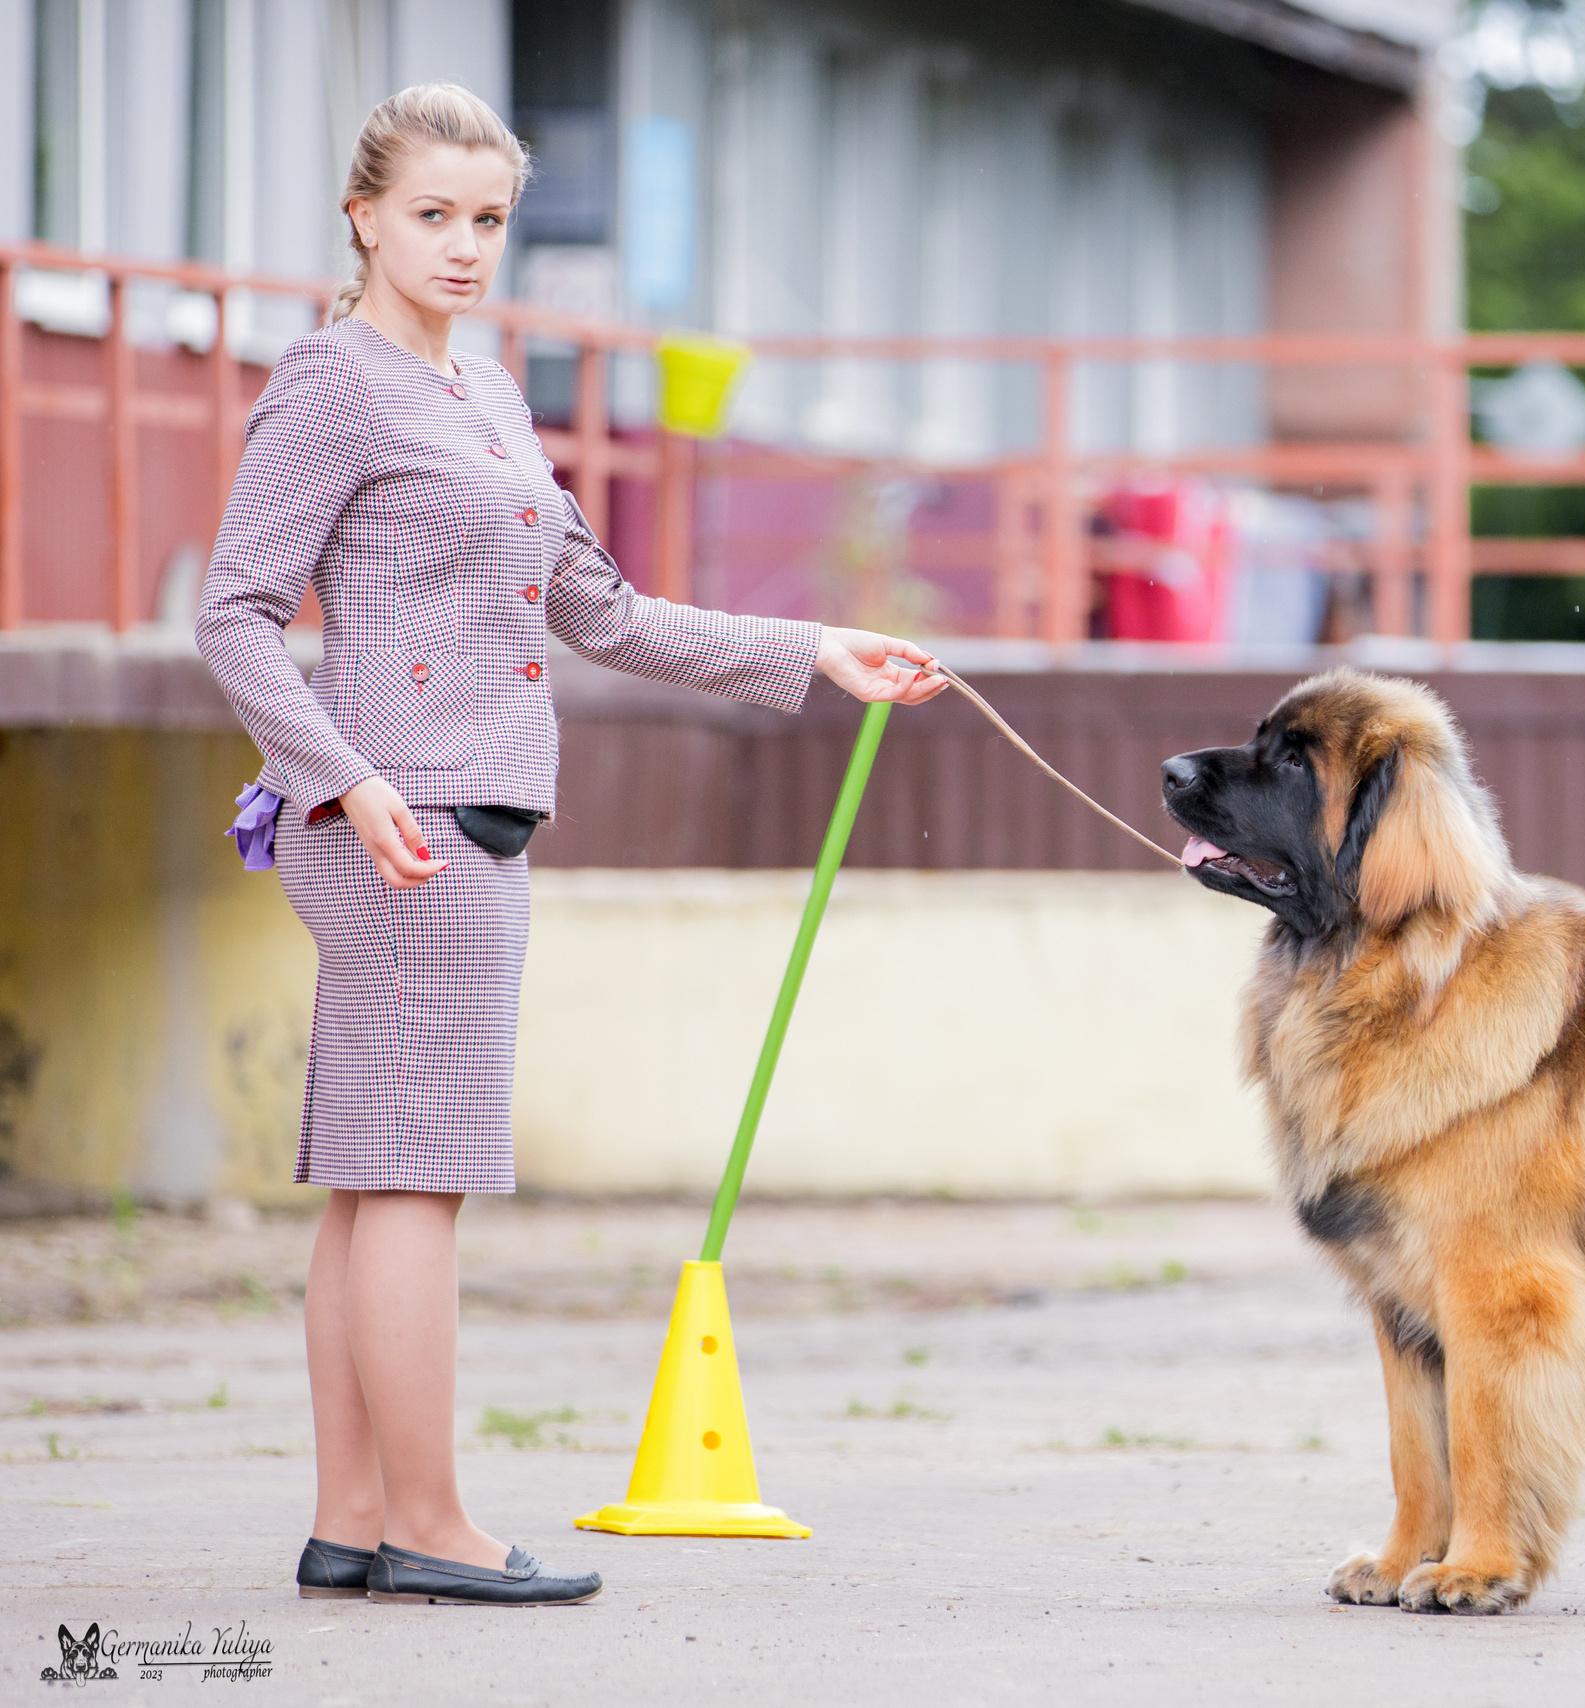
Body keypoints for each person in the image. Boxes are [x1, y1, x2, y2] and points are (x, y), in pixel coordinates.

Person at [194, 83, 946, 1609]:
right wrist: (341, 784)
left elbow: (603, 611)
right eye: (432, 217)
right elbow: (236, 614)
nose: (465, 247)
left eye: (488, 219)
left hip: (459, 813)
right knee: (419, 1180)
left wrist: (817, 646)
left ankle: (356, 1521)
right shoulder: (335, 385)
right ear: (364, 217)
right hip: (407, 826)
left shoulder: (482, 396)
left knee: (374, 1179)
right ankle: (430, 1525)